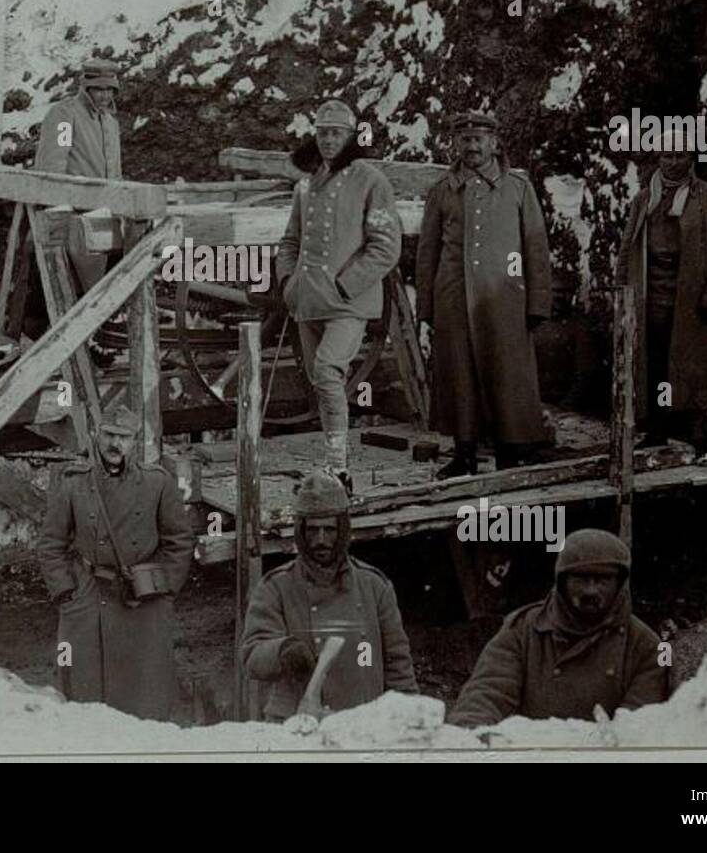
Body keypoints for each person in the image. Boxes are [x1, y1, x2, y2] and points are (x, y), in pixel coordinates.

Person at [415, 111, 552, 477]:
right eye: (465, 140)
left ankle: (512, 449)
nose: (472, 147)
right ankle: (464, 453)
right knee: (458, 372)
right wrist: (426, 305)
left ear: (495, 144)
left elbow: (534, 248)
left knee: (507, 373)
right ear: (455, 145)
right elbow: (428, 251)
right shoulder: (442, 190)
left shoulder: (518, 188)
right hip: (454, 299)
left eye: (479, 140)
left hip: (505, 297)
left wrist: (536, 301)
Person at [36, 404, 193, 720]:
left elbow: (179, 541)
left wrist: (162, 589)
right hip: (88, 595)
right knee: (80, 688)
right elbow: (51, 543)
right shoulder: (73, 482)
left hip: (141, 599)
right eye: (109, 434)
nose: (115, 444)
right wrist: (66, 592)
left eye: (124, 437)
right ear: (96, 434)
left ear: (135, 442)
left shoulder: (157, 483)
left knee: (146, 695)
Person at [276, 100, 401, 487]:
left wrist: (347, 284)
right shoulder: (306, 184)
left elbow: (386, 245)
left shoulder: (370, 180)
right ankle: (333, 462)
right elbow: (290, 241)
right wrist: (287, 283)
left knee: (328, 371)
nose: (329, 140)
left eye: (336, 133)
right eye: (322, 132)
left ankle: (339, 468)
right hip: (307, 300)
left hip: (348, 302)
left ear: (350, 136)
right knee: (318, 380)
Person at [239, 470, 418, 720]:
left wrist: (409, 720)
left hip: (362, 720)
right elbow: (252, 656)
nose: (321, 540)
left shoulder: (374, 586)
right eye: (312, 530)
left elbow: (399, 666)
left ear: (342, 530)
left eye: (329, 529)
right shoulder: (276, 587)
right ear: (301, 532)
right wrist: (283, 650)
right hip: (297, 723)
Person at [448, 528, 668, 728]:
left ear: (620, 585)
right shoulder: (523, 629)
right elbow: (487, 693)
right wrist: (468, 736)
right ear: (561, 582)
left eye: (603, 580)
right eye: (580, 579)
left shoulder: (647, 647)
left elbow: (636, 728)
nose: (591, 591)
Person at [615, 146, 707, 460]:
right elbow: (628, 247)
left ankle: (701, 437)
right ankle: (658, 430)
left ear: (691, 160)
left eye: (680, 156)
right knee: (656, 366)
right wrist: (623, 292)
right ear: (658, 160)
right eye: (667, 156)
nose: (673, 162)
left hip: (692, 299)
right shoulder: (644, 199)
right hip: (652, 298)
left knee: (697, 368)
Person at [33, 57, 122, 292]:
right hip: (77, 212)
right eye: (99, 89)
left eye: (109, 89)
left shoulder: (110, 122)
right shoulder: (65, 116)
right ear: (87, 87)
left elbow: (114, 171)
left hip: (105, 210)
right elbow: (54, 162)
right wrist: (57, 207)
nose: (105, 96)